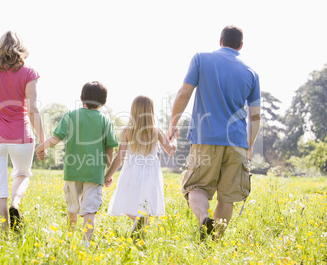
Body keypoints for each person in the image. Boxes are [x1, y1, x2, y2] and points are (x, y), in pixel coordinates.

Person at [167, 25, 261, 240]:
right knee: (227, 197)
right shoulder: (252, 73)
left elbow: (184, 93)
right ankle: (213, 244)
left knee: (195, 186)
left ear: (220, 41)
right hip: (237, 142)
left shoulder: (201, 59)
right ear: (241, 46)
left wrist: (173, 122)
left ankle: (203, 219)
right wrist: (250, 142)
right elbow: (255, 116)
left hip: (206, 138)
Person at [0, 31, 46, 232]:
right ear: (21, 49)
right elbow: (33, 110)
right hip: (21, 137)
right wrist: (43, 140)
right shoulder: (29, 73)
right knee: (22, 174)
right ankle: (15, 204)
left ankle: (4, 235)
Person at [36, 81, 118, 247]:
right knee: (89, 211)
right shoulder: (106, 121)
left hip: (73, 172)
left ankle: (70, 238)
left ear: (82, 98)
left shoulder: (71, 115)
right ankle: (85, 244)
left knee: (73, 207)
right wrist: (107, 172)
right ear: (103, 102)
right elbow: (110, 151)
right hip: (95, 174)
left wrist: (40, 147)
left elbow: (56, 137)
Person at [105, 95, 176, 237]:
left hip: (132, 171)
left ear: (133, 111)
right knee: (144, 204)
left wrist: (107, 175)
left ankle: (140, 227)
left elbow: (120, 156)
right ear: (151, 111)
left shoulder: (127, 131)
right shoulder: (156, 131)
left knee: (126, 203)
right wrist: (174, 139)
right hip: (151, 173)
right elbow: (171, 151)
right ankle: (141, 224)